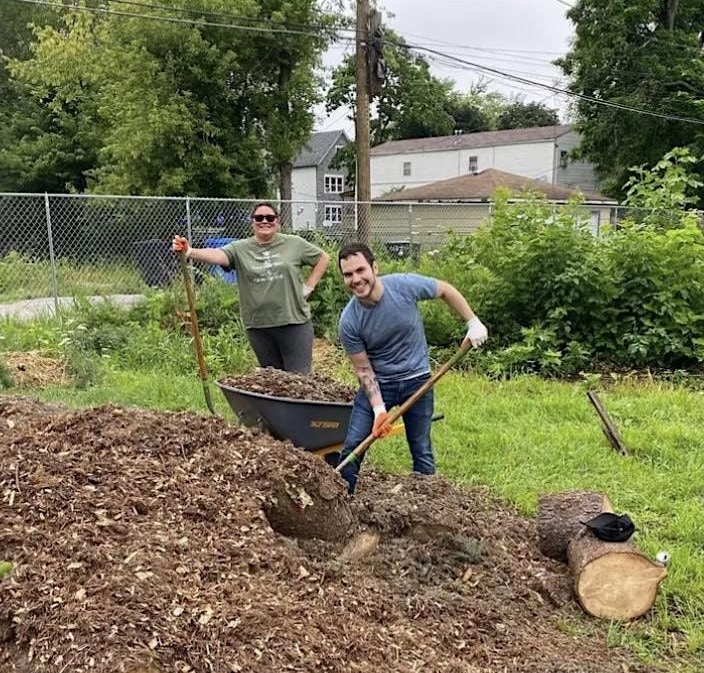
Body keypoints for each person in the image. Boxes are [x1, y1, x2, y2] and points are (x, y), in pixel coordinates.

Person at [326, 243, 488, 493]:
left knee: (421, 449)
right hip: (382, 383)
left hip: (418, 381)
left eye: (360, 270)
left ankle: (428, 504)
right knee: (353, 446)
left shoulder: (403, 286)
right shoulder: (349, 321)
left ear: (374, 268)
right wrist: (379, 410)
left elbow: (445, 290)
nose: (356, 279)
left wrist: (473, 322)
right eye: (348, 274)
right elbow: (364, 370)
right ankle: (341, 501)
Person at [171, 202, 330, 374]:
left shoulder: (294, 244)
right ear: (252, 222)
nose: (264, 221)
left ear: (277, 221)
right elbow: (217, 255)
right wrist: (190, 252)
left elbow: (322, 258)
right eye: (259, 218)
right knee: (272, 380)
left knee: (299, 378)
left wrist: (308, 287)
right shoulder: (240, 248)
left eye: (270, 218)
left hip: (294, 322)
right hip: (258, 326)